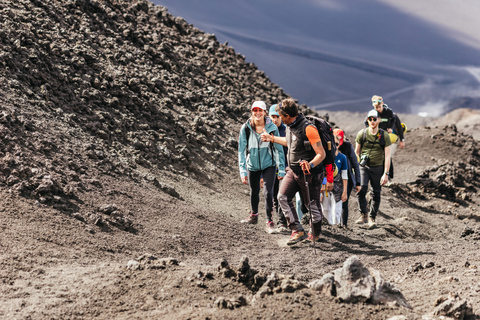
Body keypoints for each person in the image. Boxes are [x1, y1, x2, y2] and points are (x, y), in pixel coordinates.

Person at [261, 98, 327, 245]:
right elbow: (289, 142)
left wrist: (310, 164)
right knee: (282, 197)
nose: (279, 118)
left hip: (310, 174)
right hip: (293, 171)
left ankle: (315, 233)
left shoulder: (308, 128)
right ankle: (297, 229)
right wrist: (271, 138)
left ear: (288, 116)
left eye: (281, 116)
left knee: (311, 205)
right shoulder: (290, 125)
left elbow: (321, 154)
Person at [238, 101, 286, 233]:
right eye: (255, 110)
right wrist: (243, 171)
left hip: (269, 164)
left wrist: (281, 168)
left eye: (260, 110)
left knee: (268, 192)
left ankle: (269, 221)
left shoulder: (272, 128)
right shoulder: (246, 128)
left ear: (265, 112)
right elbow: (241, 150)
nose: (257, 113)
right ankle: (254, 216)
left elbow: (279, 150)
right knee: (254, 191)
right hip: (252, 165)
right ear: (252, 112)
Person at [355, 109, 391, 229]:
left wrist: (385, 173)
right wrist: (356, 168)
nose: (372, 121)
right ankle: (363, 214)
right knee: (361, 189)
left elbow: (387, 156)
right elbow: (356, 153)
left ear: (379, 120)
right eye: (370, 119)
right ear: (367, 120)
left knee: (376, 193)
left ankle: (372, 217)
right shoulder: (362, 134)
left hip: (378, 168)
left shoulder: (384, 135)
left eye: (374, 119)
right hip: (364, 167)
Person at [371, 95, 405, 179]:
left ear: (382, 104)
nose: (378, 109)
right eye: (376, 107)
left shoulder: (391, 115)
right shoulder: (374, 115)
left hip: (391, 139)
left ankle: (389, 176)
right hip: (379, 138)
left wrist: (402, 140)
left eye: (379, 107)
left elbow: (399, 127)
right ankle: (381, 176)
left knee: (387, 156)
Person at [333, 129, 361, 228]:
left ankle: (343, 225)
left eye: (338, 143)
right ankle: (333, 225)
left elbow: (355, 164)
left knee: (344, 201)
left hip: (346, 178)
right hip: (332, 178)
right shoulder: (329, 146)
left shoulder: (347, 146)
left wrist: (358, 182)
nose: (337, 145)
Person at [268, 104, 289, 233]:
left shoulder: (287, 130)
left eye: (277, 117)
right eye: (273, 117)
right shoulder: (266, 130)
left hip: (285, 169)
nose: (275, 119)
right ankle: (282, 222)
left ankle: (284, 222)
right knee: (275, 196)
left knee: (283, 195)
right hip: (271, 169)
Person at [321, 147, 348, 225]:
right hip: (326, 184)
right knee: (326, 210)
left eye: (336, 144)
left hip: (338, 185)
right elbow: (321, 172)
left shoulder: (342, 157)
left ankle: (337, 228)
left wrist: (345, 191)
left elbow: (345, 175)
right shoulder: (324, 156)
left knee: (336, 212)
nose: (334, 146)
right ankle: (328, 229)